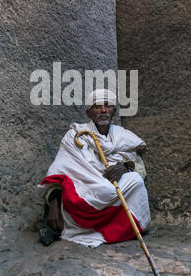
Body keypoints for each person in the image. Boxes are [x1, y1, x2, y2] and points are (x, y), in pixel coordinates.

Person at [38, 89, 151, 247]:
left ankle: (121, 228)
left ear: (114, 112)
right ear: (89, 113)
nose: (103, 110)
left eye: (108, 106)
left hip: (110, 187)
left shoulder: (123, 136)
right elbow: (60, 172)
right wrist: (53, 204)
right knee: (104, 190)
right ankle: (58, 228)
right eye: (97, 107)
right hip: (85, 192)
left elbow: (137, 165)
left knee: (136, 181)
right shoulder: (75, 136)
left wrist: (124, 168)